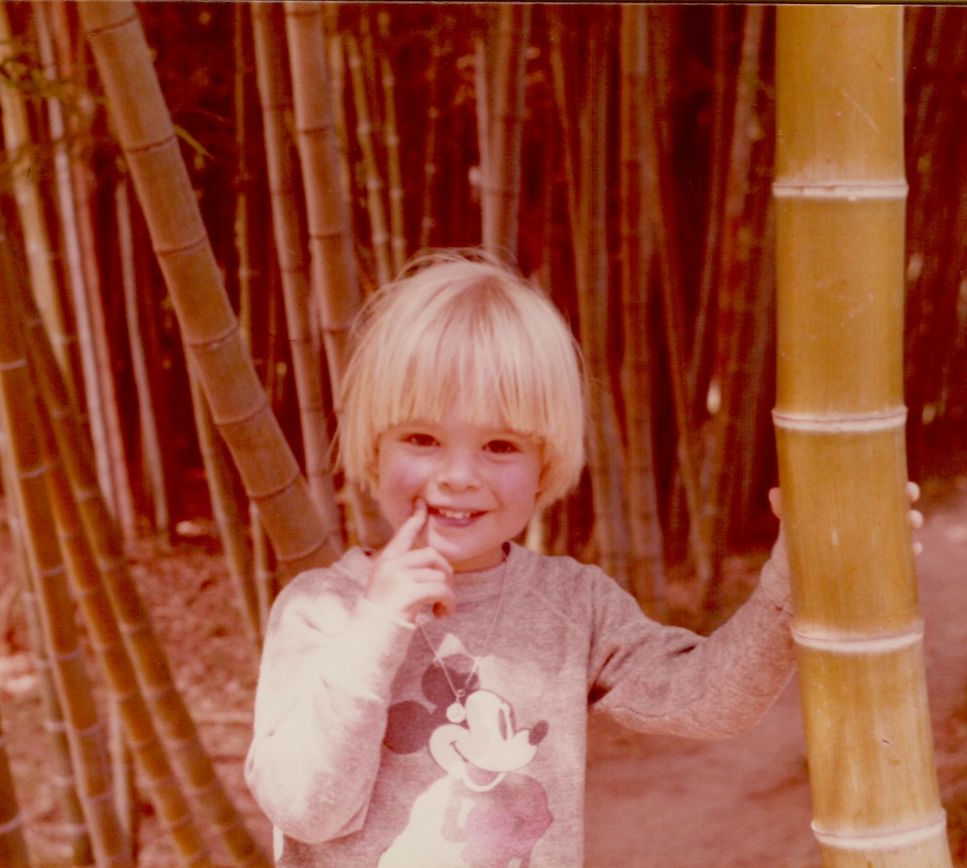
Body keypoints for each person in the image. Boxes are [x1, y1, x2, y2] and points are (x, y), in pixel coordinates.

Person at [244, 250, 796, 866]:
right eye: (422, 439)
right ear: (376, 446)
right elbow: (305, 809)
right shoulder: (322, 612)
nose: (458, 475)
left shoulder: (571, 604)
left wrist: (795, 578)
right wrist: (376, 629)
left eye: (499, 445)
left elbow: (707, 699)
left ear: (545, 467)